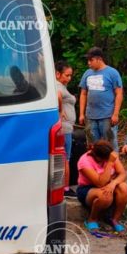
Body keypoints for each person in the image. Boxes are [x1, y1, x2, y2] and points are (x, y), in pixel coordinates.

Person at [77, 140, 127, 232]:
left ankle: (115, 220)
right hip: (88, 188)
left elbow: (123, 174)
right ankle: (92, 219)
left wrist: (113, 183)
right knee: (105, 195)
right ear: (98, 157)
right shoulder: (84, 161)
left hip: (109, 184)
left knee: (124, 188)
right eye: (105, 160)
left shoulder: (110, 155)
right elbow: (100, 183)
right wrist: (109, 163)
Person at [78, 47, 123, 152]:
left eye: (91, 60)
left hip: (107, 115)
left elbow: (119, 93)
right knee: (92, 145)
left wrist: (115, 114)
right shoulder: (87, 73)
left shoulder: (112, 73)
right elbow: (83, 94)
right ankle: (96, 167)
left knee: (110, 144)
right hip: (91, 116)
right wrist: (81, 113)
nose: (89, 63)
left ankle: (112, 167)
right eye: (88, 60)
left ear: (99, 59)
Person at [55, 61, 76, 198]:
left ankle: (62, 187)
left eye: (70, 76)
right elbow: (57, 96)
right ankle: (65, 188)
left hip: (67, 126)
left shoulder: (62, 86)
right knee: (65, 159)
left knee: (63, 158)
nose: (69, 78)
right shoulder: (57, 86)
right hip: (65, 128)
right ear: (57, 74)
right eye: (66, 75)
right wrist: (60, 110)